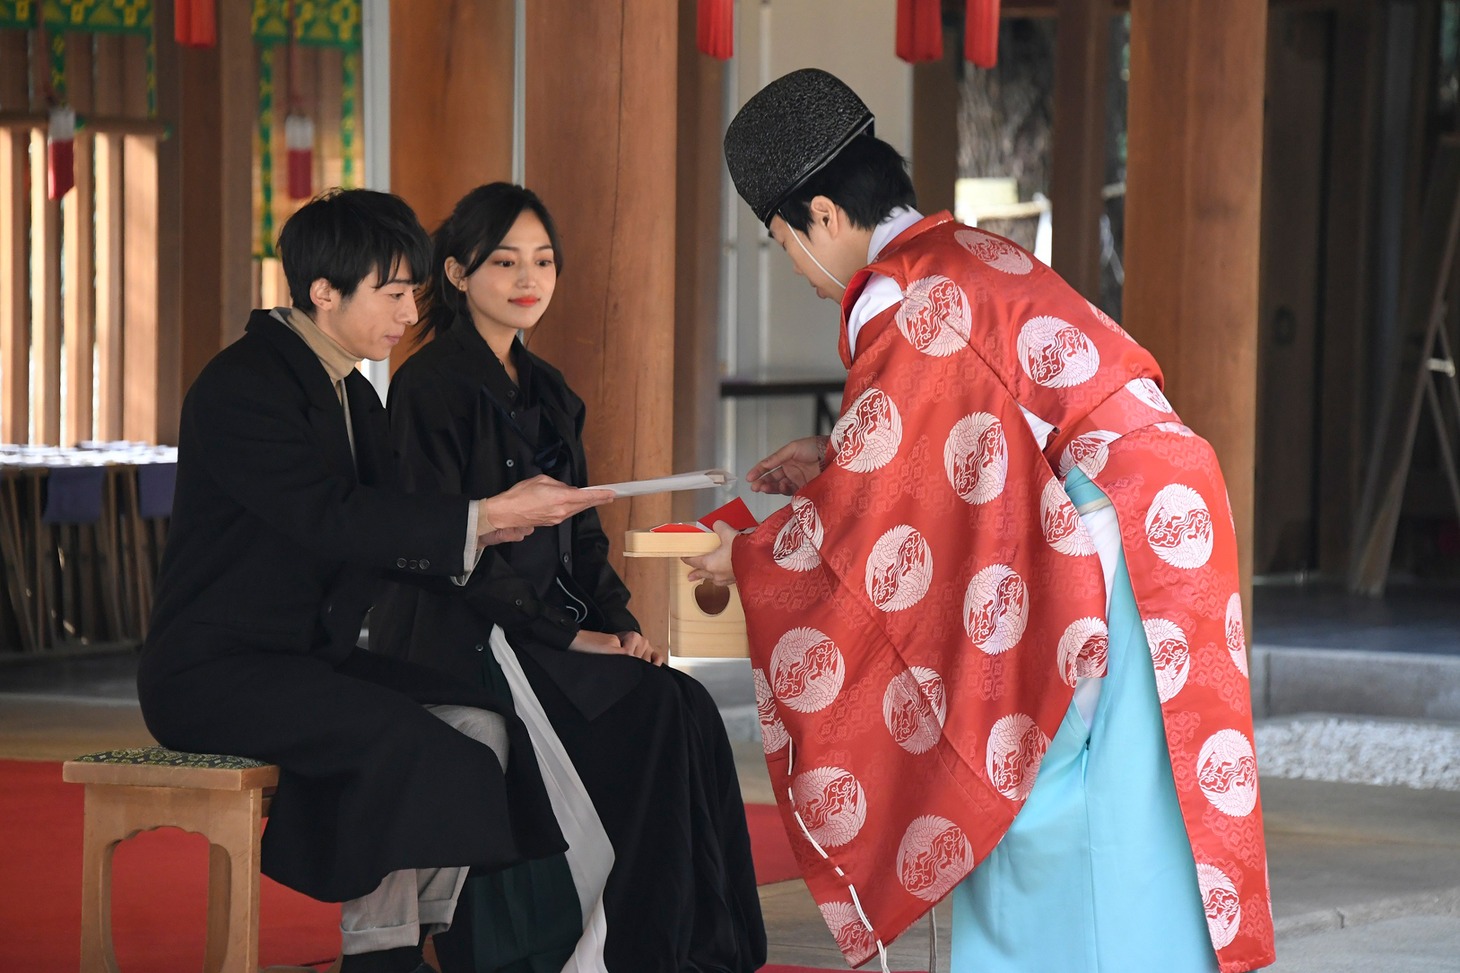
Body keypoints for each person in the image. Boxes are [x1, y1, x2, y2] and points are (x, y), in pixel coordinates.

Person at [686, 68, 1276, 973]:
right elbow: (947, 446)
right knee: (1148, 802)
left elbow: (878, 515)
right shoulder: (963, 253)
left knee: (1028, 792)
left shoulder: (897, 294)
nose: (795, 269)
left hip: (1096, 536)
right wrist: (836, 450)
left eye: (780, 240)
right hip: (1167, 507)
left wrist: (753, 554)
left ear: (824, 216)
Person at [137, 188, 617, 973]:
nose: (406, 313)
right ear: (324, 291)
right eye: (391, 293)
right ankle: (377, 954)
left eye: (412, 293)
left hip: (303, 660)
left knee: (483, 724)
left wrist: (508, 527)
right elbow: (331, 517)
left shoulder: (355, 392)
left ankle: (406, 938)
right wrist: (484, 516)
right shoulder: (243, 386)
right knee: (406, 743)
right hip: (214, 671)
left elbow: (398, 524)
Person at [370, 182, 767, 973]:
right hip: (473, 634)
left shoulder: (549, 389)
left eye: (544, 261)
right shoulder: (429, 388)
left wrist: (621, 627)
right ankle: (627, 948)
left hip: (552, 632)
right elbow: (447, 548)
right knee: (651, 716)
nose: (530, 279)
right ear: (456, 273)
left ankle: (701, 944)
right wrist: (570, 634)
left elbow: (585, 529)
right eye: (506, 261)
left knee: (683, 703)